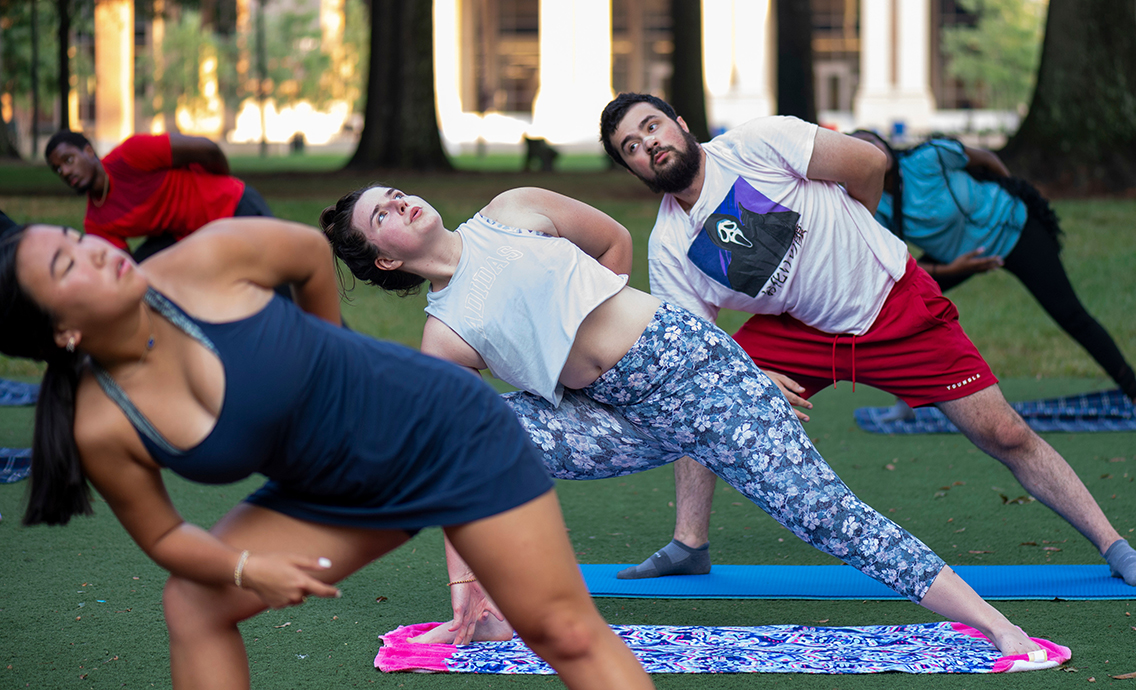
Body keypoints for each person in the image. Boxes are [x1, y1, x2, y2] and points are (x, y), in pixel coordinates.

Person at [319, 183, 1059, 663]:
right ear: (384, 259)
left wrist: (634, 324)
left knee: (827, 517)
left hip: (696, 373)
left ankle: (995, 625)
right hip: (619, 417)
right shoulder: (445, 335)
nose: (400, 202)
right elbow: (461, 453)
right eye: (381, 215)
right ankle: (482, 610)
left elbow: (611, 241)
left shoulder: (513, 211)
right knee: (470, 429)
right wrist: (461, 574)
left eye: (394, 193)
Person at [0, 219, 653, 690]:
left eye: (76, 237)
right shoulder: (102, 421)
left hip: (446, 431)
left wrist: (328, 349)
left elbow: (310, 252)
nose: (96, 250)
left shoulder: (201, 261)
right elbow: (166, 534)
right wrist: (247, 566)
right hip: (336, 493)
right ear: (63, 331)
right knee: (193, 604)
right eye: (66, 265)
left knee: (562, 632)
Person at [598, 92, 1136, 587]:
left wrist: (863, 223)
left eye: (651, 127)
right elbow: (701, 347)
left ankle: (1115, 545)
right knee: (709, 404)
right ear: (635, 172)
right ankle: (688, 544)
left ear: (681, 125)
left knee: (1003, 431)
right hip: (802, 330)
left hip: (893, 302)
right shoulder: (671, 245)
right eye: (630, 147)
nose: (647, 145)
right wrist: (751, 378)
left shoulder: (757, 145)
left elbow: (870, 160)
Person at [848, 129, 1136, 421]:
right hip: (958, 257)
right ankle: (907, 400)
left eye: (873, 140)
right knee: (902, 305)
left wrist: (1014, 192)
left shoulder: (931, 157)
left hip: (1014, 230)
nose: (871, 149)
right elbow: (898, 262)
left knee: (1070, 314)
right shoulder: (875, 206)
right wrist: (956, 269)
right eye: (859, 146)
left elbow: (986, 159)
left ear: (886, 145)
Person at [44, 131, 273, 261]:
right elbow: (127, 270)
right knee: (145, 268)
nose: (65, 171)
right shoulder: (97, 222)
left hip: (234, 207)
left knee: (280, 284)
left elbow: (208, 149)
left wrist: (220, 183)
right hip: (196, 239)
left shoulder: (131, 155)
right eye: (57, 169)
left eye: (68, 160)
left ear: (88, 151)